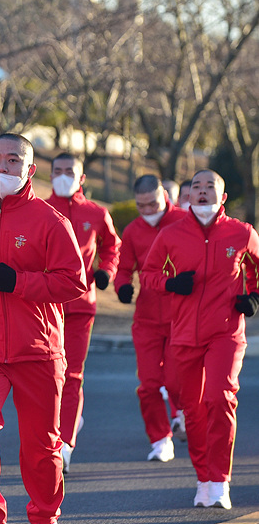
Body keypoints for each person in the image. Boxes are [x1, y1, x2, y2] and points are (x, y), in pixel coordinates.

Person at [0, 133, 86, 524]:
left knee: (42, 447)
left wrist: (20, 282)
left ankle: (45, 516)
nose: (2, 167)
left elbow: (73, 282)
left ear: (29, 169)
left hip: (39, 350)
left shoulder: (51, 220)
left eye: (12, 160)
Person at [141, 169, 259, 510]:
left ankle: (220, 480)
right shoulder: (170, 234)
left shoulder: (242, 233)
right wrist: (171, 284)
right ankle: (204, 478)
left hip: (226, 332)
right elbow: (148, 275)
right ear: (188, 196)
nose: (203, 192)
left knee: (220, 399)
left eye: (211, 187)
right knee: (192, 409)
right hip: (184, 334)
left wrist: (253, 296)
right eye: (197, 187)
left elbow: (257, 269)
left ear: (222, 198)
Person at [45, 153, 121, 471]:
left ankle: (63, 445)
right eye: (58, 171)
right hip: (44, 304)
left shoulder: (96, 212)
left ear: (82, 177)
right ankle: (52, 431)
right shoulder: (40, 209)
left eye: (69, 171)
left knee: (72, 374)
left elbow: (111, 246)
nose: (63, 176)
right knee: (49, 377)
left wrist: (106, 271)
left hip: (80, 305)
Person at [114, 175, 188, 462]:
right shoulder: (133, 230)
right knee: (148, 383)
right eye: (141, 205)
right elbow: (124, 266)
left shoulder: (184, 221)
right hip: (146, 316)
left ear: (165, 196)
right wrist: (122, 285)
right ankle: (160, 440)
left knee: (174, 379)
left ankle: (183, 413)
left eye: (153, 204)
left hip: (180, 315)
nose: (147, 210)